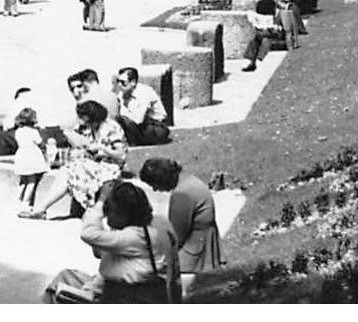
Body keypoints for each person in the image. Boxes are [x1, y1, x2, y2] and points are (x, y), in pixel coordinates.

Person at [43, 180, 179, 303]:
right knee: (65, 275)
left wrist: (101, 202)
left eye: (110, 210)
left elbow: (88, 234)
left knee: (55, 292)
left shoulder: (135, 236)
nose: (107, 215)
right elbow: (99, 252)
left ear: (125, 213)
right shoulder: (142, 228)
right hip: (120, 290)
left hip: (126, 298)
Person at [26, 99, 127, 220]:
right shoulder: (90, 128)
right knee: (67, 170)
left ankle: (96, 208)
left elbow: (121, 154)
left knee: (81, 171)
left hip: (111, 165)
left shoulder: (111, 127)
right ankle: (42, 208)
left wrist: (101, 148)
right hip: (95, 162)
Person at [139, 157, 224, 297]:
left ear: (162, 179)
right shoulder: (189, 181)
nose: (155, 189)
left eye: (154, 184)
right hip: (203, 243)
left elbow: (176, 236)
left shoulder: (181, 195)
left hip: (194, 254)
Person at [113, 66, 171, 145]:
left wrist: (123, 110)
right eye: (118, 81)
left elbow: (138, 119)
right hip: (141, 126)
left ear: (133, 82)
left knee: (124, 121)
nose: (119, 85)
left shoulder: (144, 93)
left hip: (156, 126)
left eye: (123, 82)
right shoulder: (122, 93)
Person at [11, 107, 50, 217]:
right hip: (32, 157)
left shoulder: (18, 131)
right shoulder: (34, 132)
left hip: (21, 156)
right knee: (32, 181)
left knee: (23, 181)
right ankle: (26, 202)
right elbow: (40, 143)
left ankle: (18, 200)